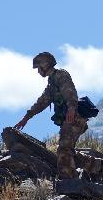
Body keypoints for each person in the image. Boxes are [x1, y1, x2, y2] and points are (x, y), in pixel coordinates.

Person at [14, 52, 87, 180]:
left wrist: (71, 108)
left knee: (64, 149)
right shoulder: (51, 84)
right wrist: (26, 117)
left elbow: (70, 91)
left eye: (38, 68)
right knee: (67, 151)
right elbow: (42, 102)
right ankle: (97, 166)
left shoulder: (61, 75)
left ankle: (69, 181)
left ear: (45, 65)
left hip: (74, 117)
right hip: (71, 118)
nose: (38, 72)